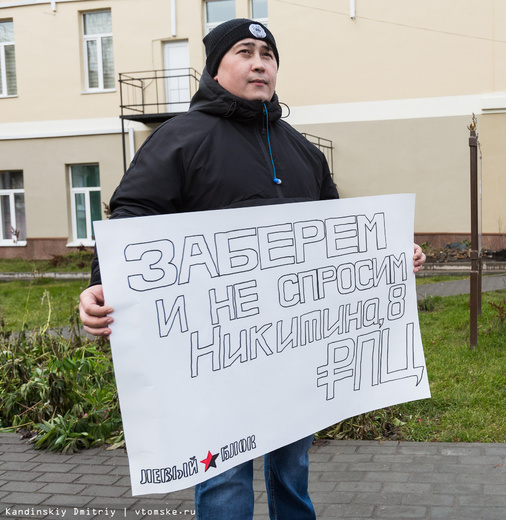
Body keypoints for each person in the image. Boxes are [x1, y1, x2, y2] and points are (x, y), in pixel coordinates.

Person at [78, 19, 427, 520]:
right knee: (224, 482)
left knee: (293, 469)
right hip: (217, 353)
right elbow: (134, 215)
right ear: (216, 68)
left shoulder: (301, 149)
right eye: (244, 51)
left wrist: (391, 255)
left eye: (268, 54)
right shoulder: (179, 138)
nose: (260, 62)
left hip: (291, 347)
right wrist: (100, 284)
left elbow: (333, 229)